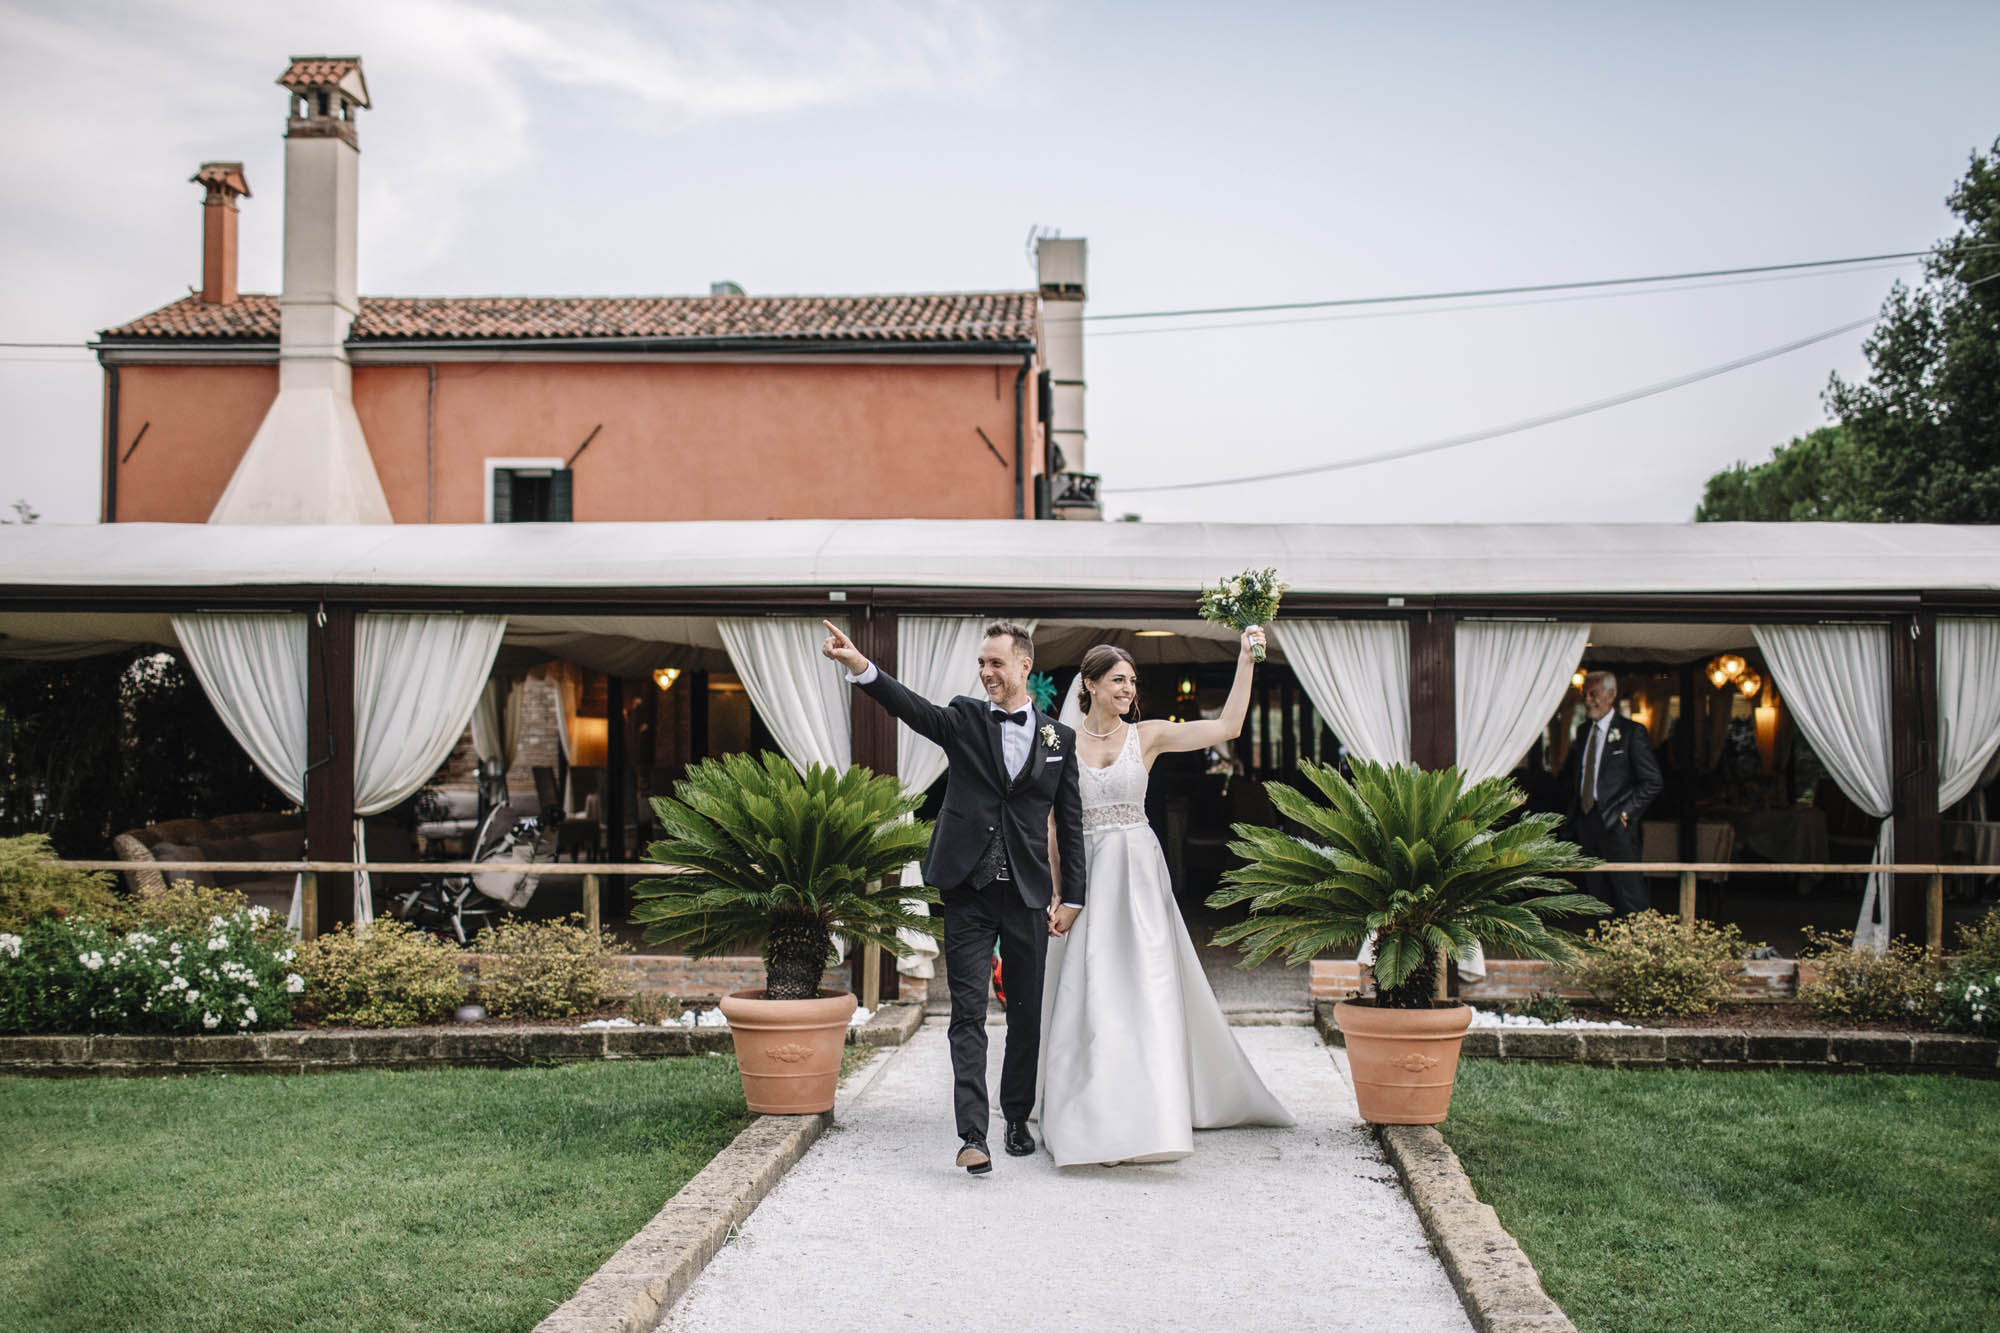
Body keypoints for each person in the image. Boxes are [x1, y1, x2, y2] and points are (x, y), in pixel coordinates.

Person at [820, 618, 1085, 1176]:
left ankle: (1016, 1117)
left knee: (1026, 1015)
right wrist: (861, 667)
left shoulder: (1060, 739)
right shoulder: (964, 718)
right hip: (968, 890)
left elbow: (1070, 823)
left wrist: (1073, 897)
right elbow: (911, 708)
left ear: (1024, 666)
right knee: (966, 1012)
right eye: (982, 663)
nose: (986, 672)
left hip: (1029, 894)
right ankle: (972, 1134)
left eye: (996, 663)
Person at [1037, 628, 1293, 1167]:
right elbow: (1055, 825)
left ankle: (1152, 1113)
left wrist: (1246, 659)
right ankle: (1091, 1114)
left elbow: (1227, 727)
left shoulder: (1147, 736)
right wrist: (1057, 893)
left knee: (1144, 987)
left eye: (1132, 681)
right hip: (1086, 879)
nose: (1128, 689)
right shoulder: (1060, 742)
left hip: (1137, 876)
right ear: (1090, 684)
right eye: (1118, 680)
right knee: (1092, 991)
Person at [1557, 670, 1663, 916]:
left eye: (1593, 694)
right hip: (1586, 821)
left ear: (1611, 695)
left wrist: (1626, 812)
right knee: (1598, 895)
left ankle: (1637, 939)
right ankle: (1605, 938)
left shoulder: (1631, 732)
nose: (1587, 701)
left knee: (1630, 894)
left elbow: (1652, 782)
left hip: (1617, 823)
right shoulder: (1583, 731)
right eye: (1585, 695)